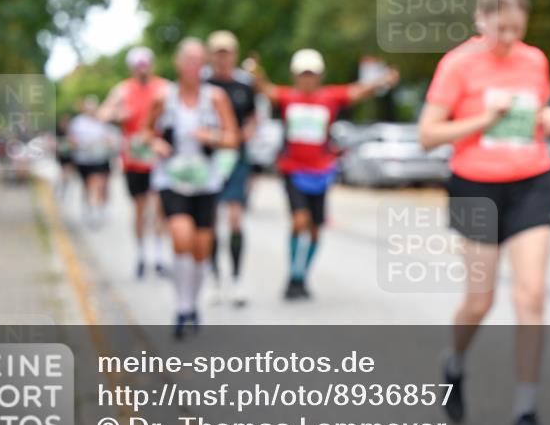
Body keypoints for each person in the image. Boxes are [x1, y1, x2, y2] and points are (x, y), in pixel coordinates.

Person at [418, 0, 550, 425]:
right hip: (476, 186)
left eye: (516, 29)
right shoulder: (457, 64)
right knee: (480, 300)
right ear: (481, 20)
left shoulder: (534, 59)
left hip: (531, 181)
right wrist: (485, 119)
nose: (508, 39)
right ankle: (455, 362)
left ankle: (526, 410)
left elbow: (541, 116)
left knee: (532, 294)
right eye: (500, 28)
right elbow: (428, 135)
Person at [255, 48, 398, 300]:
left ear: (319, 75)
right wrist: (255, 71)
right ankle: (293, 273)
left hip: (321, 172)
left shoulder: (330, 97)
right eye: (303, 74)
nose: (307, 79)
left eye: (312, 74)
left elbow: (358, 91)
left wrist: (381, 81)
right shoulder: (288, 97)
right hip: (293, 170)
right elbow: (265, 89)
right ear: (295, 76)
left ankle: (301, 276)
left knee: (315, 230)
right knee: (299, 221)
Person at [147, 38, 238, 338]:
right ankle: (182, 306)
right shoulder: (164, 96)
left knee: (201, 249)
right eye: (188, 60)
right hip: (172, 179)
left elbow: (232, 138)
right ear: (178, 63)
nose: (193, 67)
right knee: (181, 238)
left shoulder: (215, 98)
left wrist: (210, 137)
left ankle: (193, 302)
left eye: (199, 61)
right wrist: (157, 143)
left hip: (205, 181)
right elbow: (147, 132)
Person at [99, 46, 171, 278]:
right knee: (140, 208)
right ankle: (142, 256)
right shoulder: (122, 89)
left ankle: (159, 256)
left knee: (159, 206)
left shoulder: (164, 87)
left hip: (157, 155)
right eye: (138, 65)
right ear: (132, 68)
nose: (143, 69)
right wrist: (118, 115)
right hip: (133, 157)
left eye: (146, 64)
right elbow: (103, 113)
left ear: (152, 64)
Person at [205, 30, 258, 306]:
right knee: (211, 220)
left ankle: (237, 278)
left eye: (227, 53)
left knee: (235, 218)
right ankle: (214, 278)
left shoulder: (244, 85)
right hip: (209, 159)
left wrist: (246, 132)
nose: (223, 58)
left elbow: (252, 117)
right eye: (218, 52)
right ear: (211, 55)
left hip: (236, 158)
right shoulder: (203, 84)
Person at [68, 95, 117, 228]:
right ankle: (89, 208)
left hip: (100, 158)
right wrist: (80, 144)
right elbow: (72, 141)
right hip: (84, 160)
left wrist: (108, 142)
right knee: (88, 186)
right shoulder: (78, 122)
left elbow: (112, 139)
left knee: (100, 183)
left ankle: (100, 208)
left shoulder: (102, 122)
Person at [54, 113, 75, 199]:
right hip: (61, 156)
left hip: (68, 156)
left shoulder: (71, 132)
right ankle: (60, 188)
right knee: (62, 174)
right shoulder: (58, 132)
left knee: (66, 174)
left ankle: (64, 189)